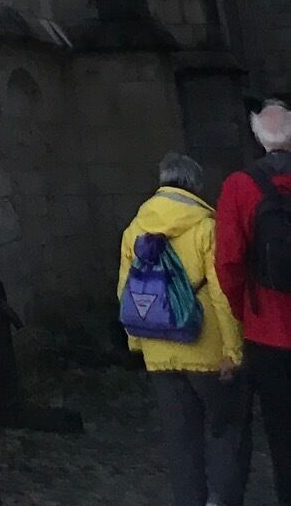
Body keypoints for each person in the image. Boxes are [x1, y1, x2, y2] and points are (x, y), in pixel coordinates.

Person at [117, 151, 247, 506]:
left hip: (158, 350)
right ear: (195, 185)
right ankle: (222, 500)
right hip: (206, 349)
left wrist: (136, 342)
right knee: (224, 430)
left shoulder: (135, 228)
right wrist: (233, 350)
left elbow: (126, 292)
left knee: (180, 440)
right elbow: (221, 294)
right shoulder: (206, 227)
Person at [218, 98, 291, 505]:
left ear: (258, 138)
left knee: (282, 433)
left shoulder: (239, 186)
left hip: (268, 331)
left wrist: (242, 311)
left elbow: (228, 262)